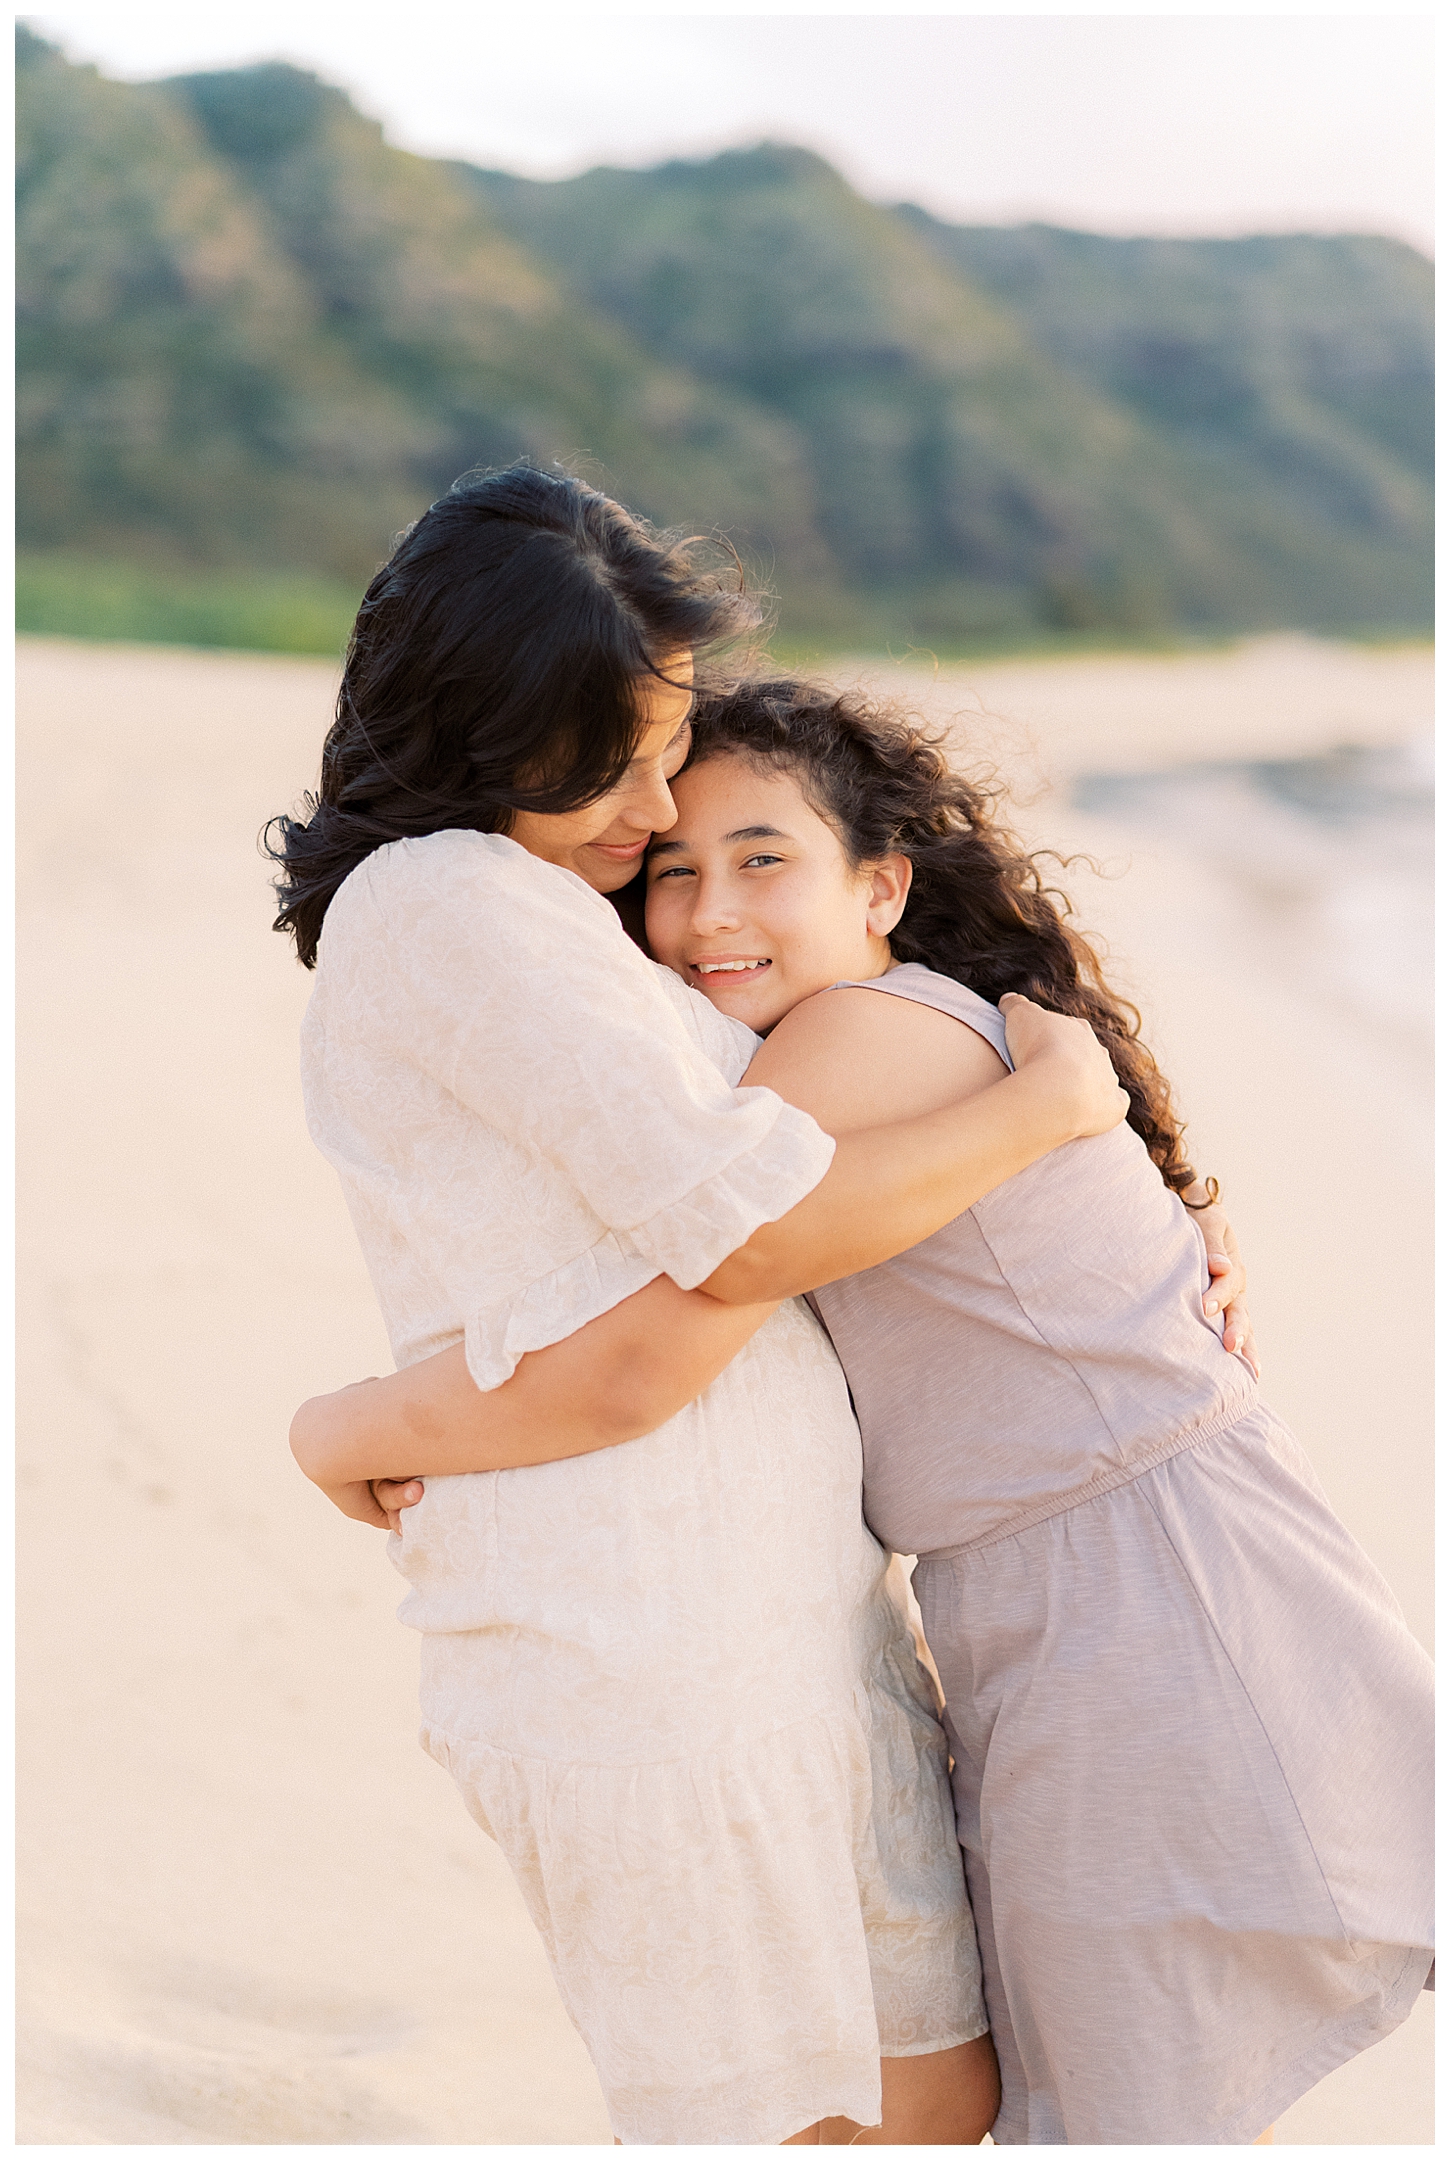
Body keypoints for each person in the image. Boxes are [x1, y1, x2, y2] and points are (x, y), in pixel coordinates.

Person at [313, 674, 1432, 2145]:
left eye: (761, 859)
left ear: (881, 884)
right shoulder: (885, 1044)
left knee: (1116, 2108)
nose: (709, 911)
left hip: (1142, 1602)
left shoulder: (855, 1044)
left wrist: (352, 1426)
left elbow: (694, 1299)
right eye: (670, 874)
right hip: (1073, 1589)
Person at [272, 467, 1139, 2146]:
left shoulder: (556, 916)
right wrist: (1046, 1108)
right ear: (472, 727)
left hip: (781, 1628)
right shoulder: (450, 906)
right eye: (608, 754)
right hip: (640, 1645)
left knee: (928, 2106)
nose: (652, 796)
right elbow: (745, 1235)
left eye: (661, 739)